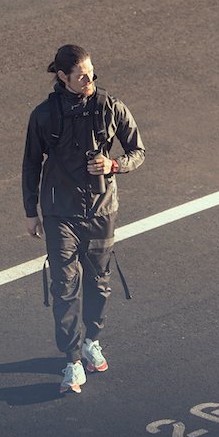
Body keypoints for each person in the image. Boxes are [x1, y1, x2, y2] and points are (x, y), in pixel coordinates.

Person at [22, 44, 145, 395]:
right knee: (64, 286)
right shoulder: (44, 115)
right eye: (81, 75)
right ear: (62, 77)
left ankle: (92, 340)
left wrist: (114, 164)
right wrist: (31, 211)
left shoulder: (110, 106)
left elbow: (138, 151)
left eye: (90, 71)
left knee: (99, 281)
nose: (89, 78)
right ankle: (72, 359)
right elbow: (31, 163)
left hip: (103, 210)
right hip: (60, 213)